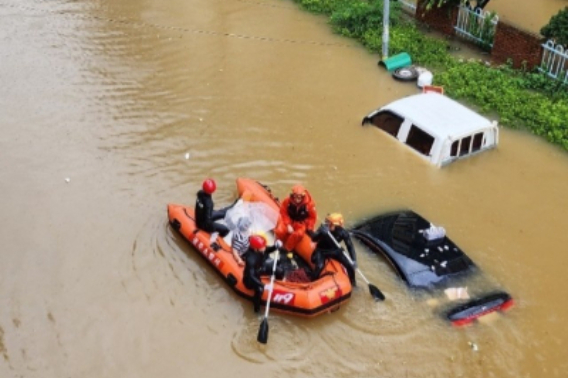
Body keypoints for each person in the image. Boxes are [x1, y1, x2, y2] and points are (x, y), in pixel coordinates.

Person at [309, 213, 357, 287]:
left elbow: (350, 246)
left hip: (335, 250)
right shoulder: (323, 228)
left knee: (350, 266)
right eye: (328, 223)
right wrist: (321, 234)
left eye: (330, 224)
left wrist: (354, 260)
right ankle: (312, 283)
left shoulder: (343, 232)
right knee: (319, 267)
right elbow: (314, 238)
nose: (328, 225)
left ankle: (353, 284)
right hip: (322, 250)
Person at [242, 234, 282, 313]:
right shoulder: (250, 259)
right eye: (262, 247)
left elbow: (268, 249)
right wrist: (264, 285)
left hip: (259, 269)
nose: (264, 248)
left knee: (279, 270)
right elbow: (251, 276)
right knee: (259, 289)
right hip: (250, 278)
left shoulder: (260, 249)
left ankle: (278, 282)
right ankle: (256, 309)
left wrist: (276, 246)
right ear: (256, 249)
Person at [274, 184, 317, 253]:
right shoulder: (287, 201)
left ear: (303, 196)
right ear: (293, 196)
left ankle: (287, 249)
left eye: (299, 197)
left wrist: (309, 227)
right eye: (295, 197)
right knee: (280, 230)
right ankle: (277, 244)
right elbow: (283, 212)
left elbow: (312, 218)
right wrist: (288, 224)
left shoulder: (309, 205)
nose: (297, 199)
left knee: (298, 234)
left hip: (301, 223)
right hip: (289, 220)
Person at [195, 178, 230, 242]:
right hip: (203, 224)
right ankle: (220, 241)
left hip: (201, 218)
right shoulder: (209, 203)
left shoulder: (200, 193)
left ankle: (231, 207)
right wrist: (214, 229)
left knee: (222, 213)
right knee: (226, 229)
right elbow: (208, 222)